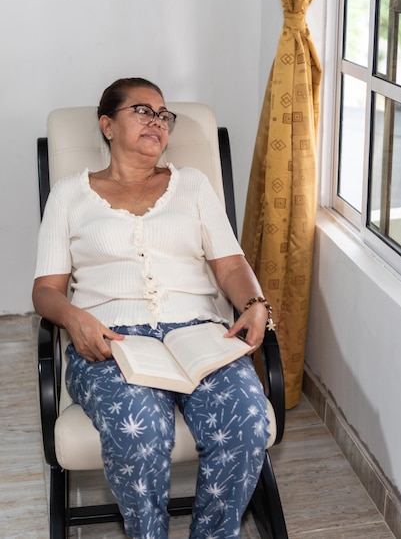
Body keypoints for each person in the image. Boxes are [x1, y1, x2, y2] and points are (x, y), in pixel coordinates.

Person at [32, 77, 274, 539]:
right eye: (142, 111)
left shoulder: (194, 185)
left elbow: (230, 265)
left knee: (246, 420)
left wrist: (255, 303)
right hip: (113, 340)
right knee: (140, 429)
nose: (157, 122)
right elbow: (46, 289)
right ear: (107, 125)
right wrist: (74, 318)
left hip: (201, 335)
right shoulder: (69, 194)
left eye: (163, 116)